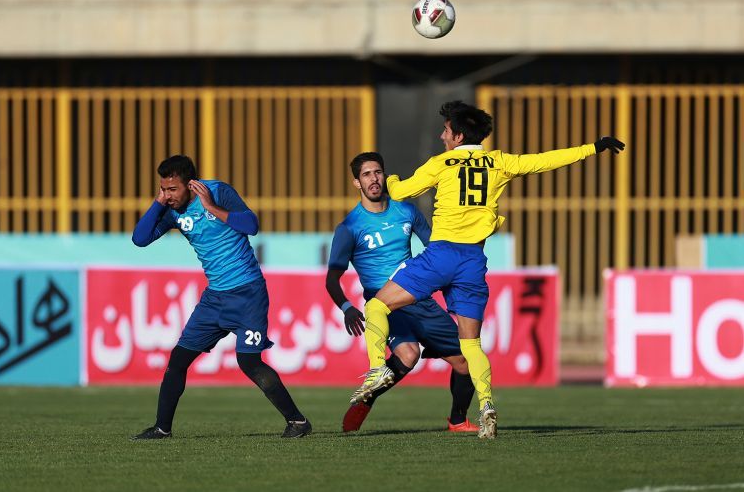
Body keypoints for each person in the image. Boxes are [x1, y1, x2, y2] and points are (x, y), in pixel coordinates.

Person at [353, 101, 625, 439]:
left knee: (377, 306)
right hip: (472, 262)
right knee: (471, 344)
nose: (441, 136)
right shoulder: (500, 162)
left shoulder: (441, 164)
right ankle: (486, 407)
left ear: (458, 136)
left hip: (441, 255)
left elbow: (399, 191)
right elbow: (545, 160)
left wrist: (391, 178)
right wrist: (593, 147)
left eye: (446, 131)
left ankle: (377, 369)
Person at [130, 155, 311, 439]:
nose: (168, 195)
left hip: (248, 293)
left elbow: (251, 225)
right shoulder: (171, 210)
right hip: (215, 298)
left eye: (172, 189)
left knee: (249, 362)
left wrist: (212, 208)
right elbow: (140, 239)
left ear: (191, 184)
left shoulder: (217, 192)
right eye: (163, 189)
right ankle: (162, 428)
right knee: (178, 360)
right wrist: (158, 202)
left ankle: (298, 421)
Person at [326, 152, 479, 433]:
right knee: (408, 355)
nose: (374, 179)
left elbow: (437, 251)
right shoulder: (349, 227)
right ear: (357, 182)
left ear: (385, 175)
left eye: (378, 172)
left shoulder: (406, 212)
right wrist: (347, 307)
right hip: (384, 302)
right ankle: (364, 402)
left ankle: (457, 420)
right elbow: (332, 279)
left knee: (465, 361)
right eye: (366, 175)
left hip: (418, 298)